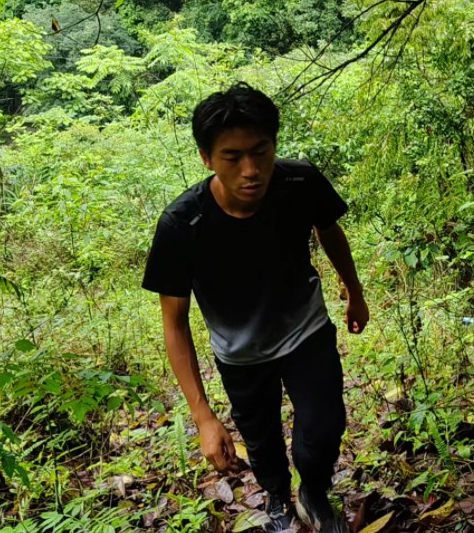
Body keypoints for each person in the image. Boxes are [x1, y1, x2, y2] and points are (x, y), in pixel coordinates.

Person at [142, 83, 368, 533]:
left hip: (306, 331)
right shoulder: (183, 224)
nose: (252, 170)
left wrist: (354, 288)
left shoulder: (300, 182)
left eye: (261, 151)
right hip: (240, 355)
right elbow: (174, 322)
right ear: (206, 158)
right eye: (232, 157)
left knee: (324, 426)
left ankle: (314, 492)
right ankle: (278, 498)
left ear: (274, 145)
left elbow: (329, 230)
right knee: (261, 440)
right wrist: (203, 415)